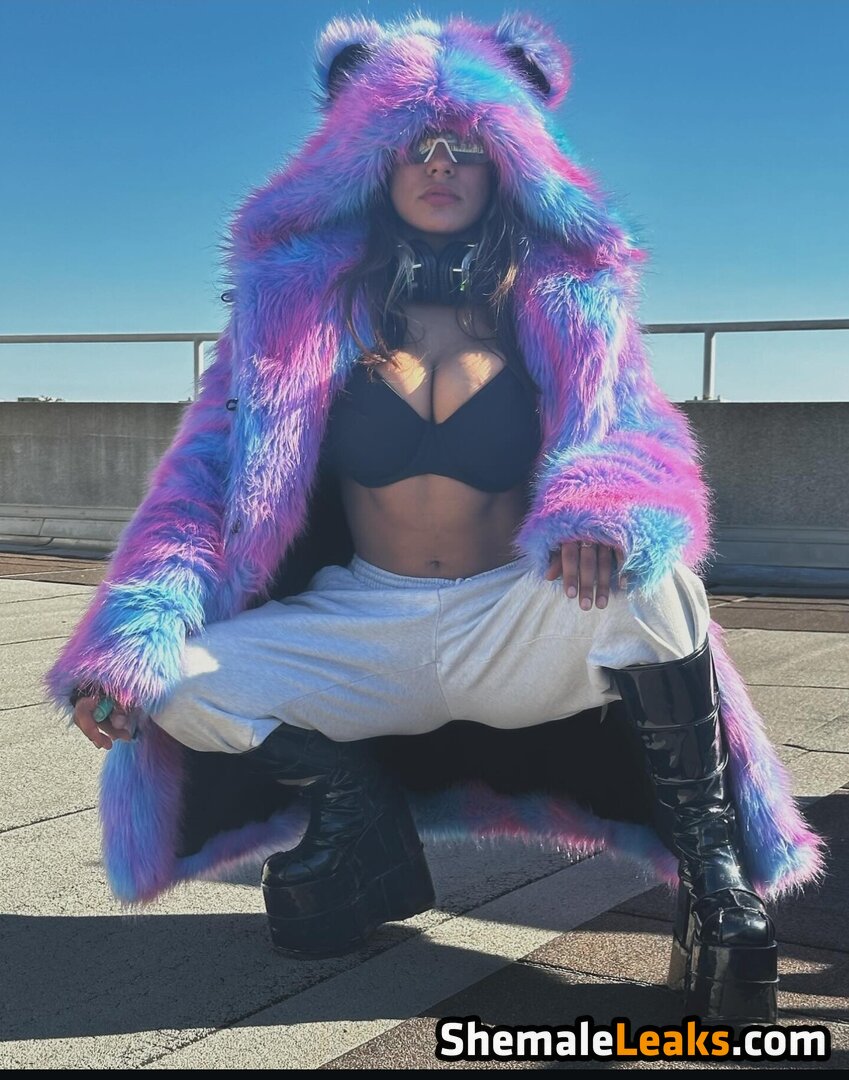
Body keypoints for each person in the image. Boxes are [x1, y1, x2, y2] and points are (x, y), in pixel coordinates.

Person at [46, 13, 823, 1024]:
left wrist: (604, 503)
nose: (441, 163)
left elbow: (638, 436)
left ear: (509, 162)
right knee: (172, 680)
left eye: (467, 144)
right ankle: (355, 818)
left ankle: (713, 877)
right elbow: (204, 477)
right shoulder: (296, 308)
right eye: (416, 143)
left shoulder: (569, 299)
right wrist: (130, 630)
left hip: (513, 620)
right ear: (370, 160)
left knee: (659, 585)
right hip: (362, 630)